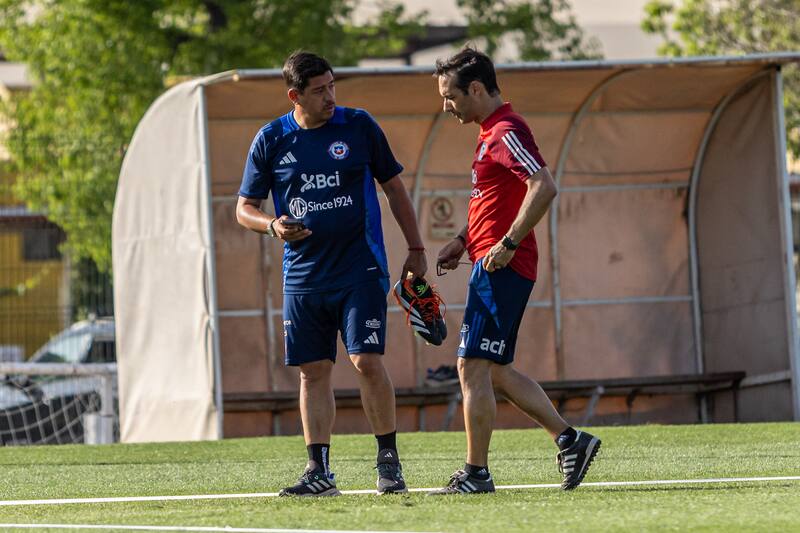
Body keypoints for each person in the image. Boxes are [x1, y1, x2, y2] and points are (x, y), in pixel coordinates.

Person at [236, 51, 427, 496]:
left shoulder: (358, 125)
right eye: (319, 90)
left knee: (365, 361)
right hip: (302, 277)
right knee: (312, 371)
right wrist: (274, 226)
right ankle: (319, 471)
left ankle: (388, 461)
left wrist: (416, 248)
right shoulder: (271, 138)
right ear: (294, 95)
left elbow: (394, 188)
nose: (330, 96)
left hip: (360, 267)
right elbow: (244, 209)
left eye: (332, 86)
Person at [430, 47, 601, 495]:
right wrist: (463, 241)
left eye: (450, 96)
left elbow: (543, 185)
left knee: (471, 366)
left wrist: (506, 244)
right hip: (490, 261)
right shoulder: (490, 133)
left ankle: (476, 473)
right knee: (495, 370)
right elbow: (494, 201)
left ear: (476, 89)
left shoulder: (505, 130)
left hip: (503, 266)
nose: (446, 105)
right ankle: (570, 440)